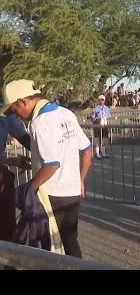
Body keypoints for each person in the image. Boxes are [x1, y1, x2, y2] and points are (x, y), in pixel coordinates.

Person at [1, 79, 93, 257]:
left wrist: (30, 188)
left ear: (22, 101)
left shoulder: (40, 122)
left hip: (52, 195)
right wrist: (80, 180)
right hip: (72, 193)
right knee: (70, 241)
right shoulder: (65, 113)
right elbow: (87, 150)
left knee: (51, 247)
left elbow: (51, 165)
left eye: (15, 110)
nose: (17, 116)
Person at [0, 113, 31, 247]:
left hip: (1, 177)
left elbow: (26, 139)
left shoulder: (5, 112)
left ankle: (9, 263)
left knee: (7, 232)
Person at [90, 94, 111, 159]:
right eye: (100, 100)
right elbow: (93, 118)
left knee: (104, 138)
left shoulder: (107, 108)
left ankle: (103, 152)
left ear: (104, 101)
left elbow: (108, 116)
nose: (101, 101)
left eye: (103, 100)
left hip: (104, 124)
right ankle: (97, 153)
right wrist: (95, 121)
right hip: (98, 124)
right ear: (98, 101)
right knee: (97, 139)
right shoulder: (96, 109)